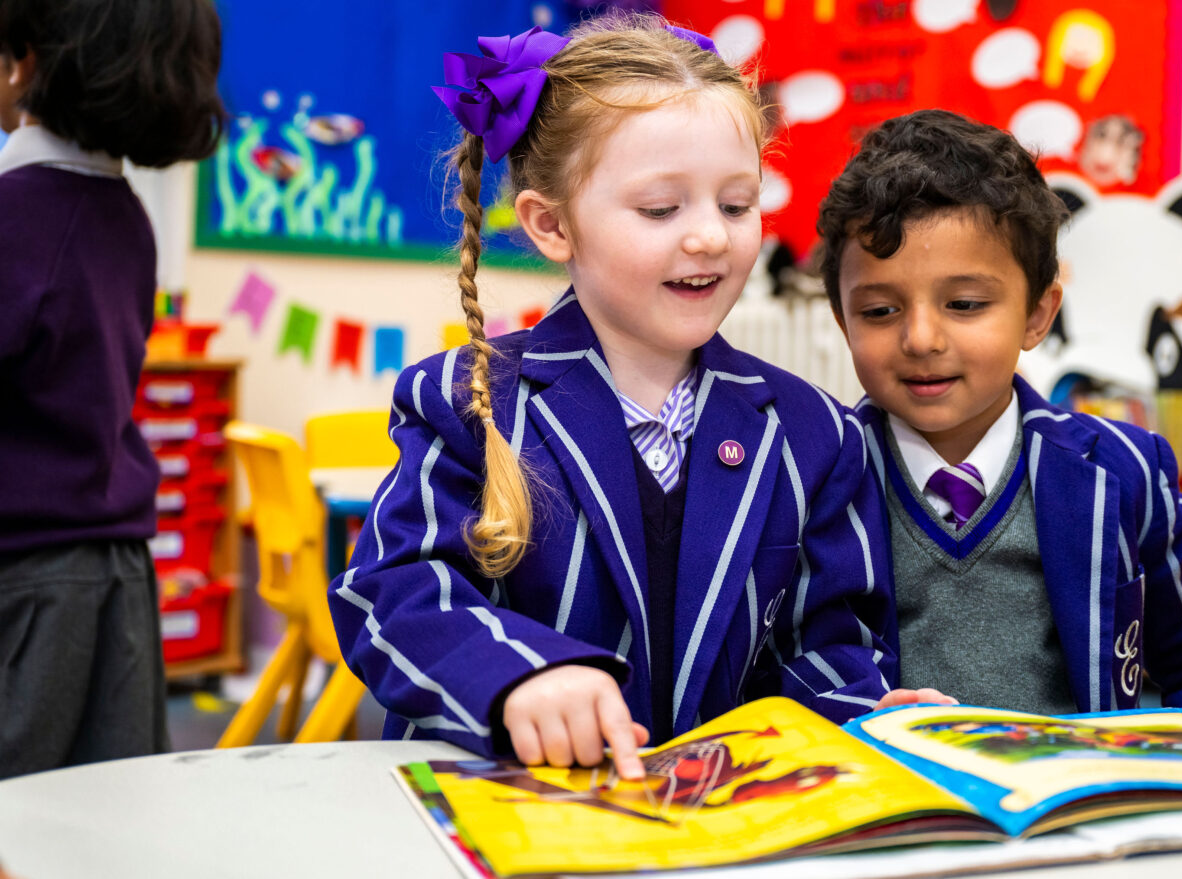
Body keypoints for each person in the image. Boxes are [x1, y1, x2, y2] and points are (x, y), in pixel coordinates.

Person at [330, 15, 944, 781]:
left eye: (736, 204)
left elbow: (823, 645)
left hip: (723, 820)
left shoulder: (816, 433)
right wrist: (518, 674)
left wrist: (861, 710)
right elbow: (392, 595)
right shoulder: (463, 402)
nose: (711, 237)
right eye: (661, 208)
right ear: (552, 225)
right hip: (523, 809)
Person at [816, 109, 1182, 724]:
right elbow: (793, 665)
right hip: (894, 783)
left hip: (1084, 780)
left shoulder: (1125, 472)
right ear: (843, 320)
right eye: (878, 312)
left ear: (1037, 315)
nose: (921, 339)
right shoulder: (820, 482)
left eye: (964, 304)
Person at [0, 0, 224, 778]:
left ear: (25, 63)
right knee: (104, 806)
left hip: (27, 587)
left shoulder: (17, 214)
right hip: (114, 581)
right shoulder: (124, 215)